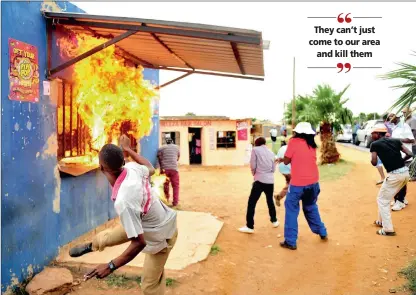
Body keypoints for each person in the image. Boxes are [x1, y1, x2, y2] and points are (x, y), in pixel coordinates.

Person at [69, 135, 178, 295]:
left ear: (101, 168)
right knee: (109, 236)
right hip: (144, 220)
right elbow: (150, 167)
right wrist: (128, 149)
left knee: (149, 286)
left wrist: (111, 265)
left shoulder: (125, 200)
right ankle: (91, 246)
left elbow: (139, 243)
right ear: (123, 162)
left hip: (162, 234)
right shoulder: (133, 168)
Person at [276, 122, 327, 250]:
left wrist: (283, 159)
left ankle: (290, 241)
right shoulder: (312, 144)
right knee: (311, 206)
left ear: (297, 132)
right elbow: (301, 158)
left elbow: (288, 160)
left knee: (292, 209)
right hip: (314, 182)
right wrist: (285, 159)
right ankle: (322, 231)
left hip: (298, 183)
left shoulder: (294, 142)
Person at [370, 126, 412, 236]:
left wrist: (374, 156)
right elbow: (410, 154)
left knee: (382, 199)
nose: (371, 135)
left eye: (372, 133)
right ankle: (381, 221)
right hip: (405, 173)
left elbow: (374, 163)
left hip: (394, 175)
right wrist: (399, 162)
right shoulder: (396, 140)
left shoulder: (375, 144)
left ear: (378, 134)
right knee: (384, 197)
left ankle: (388, 229)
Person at [238, 137, 279, 234]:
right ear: (264, 143)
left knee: (252, 203)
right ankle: (274, 221)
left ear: (256, 143)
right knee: (270, 201)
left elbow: (253, 164)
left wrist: (254, 173)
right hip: (270, 181)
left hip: (259, 180)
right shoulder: (271, 152)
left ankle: (250, 226)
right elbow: (273, 168)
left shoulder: (255, 150)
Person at [390, 112, 415, 210]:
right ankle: (402, 199)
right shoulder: (395, 127)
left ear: (397, 117)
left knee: (400, 179)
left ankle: (399, 201)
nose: (390, 118)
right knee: (401, 179)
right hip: (397, 156)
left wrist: (397, 140)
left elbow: (412, 140)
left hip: (405, 157)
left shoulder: (405, 126)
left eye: (392, 116)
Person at [157, 138, 181, 207]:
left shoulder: (161, 148)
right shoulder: (177, 147)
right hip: (174, 170)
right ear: (172, 142)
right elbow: (178, 157)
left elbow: (159, 157)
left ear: (166, 143)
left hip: (165, 169)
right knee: (176, 186)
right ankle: (175, 203)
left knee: (165, 185)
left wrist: (161, 166)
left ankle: (166, 200)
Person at [274, 141, 291, 207]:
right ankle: (279, 196)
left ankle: (280, 196)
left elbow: (277, 158)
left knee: (289, 182)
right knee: (292, 183)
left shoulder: (280, 149)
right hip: (288, 168)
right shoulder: (290, 148)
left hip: (282, 169)